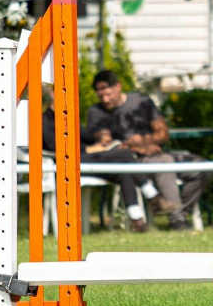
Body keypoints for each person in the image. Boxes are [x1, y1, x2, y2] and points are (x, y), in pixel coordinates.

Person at [84, 70, 208, 230]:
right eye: (101, 96)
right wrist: (134, 146)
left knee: (201, 167)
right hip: (131, 161)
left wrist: (145, 142)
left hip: (155, 152)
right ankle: (177, 221)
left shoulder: (141, 102)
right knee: (164, 162)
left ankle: (180, 212)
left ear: (118, 87)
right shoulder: (96, 112)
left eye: (108, 94)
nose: (105, 100)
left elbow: (163, 133)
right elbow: (105, 142)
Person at [39, 84, 151, 232]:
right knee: (124, 154)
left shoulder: (68, 116)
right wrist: (89, 149)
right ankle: (150, 192)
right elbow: (54, 147)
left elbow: (87, 136)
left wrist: (101, 136)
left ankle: (136, 219)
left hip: (85, 160)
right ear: (53, 94)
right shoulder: (43, 120)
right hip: (66, 164)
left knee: (124, 171)